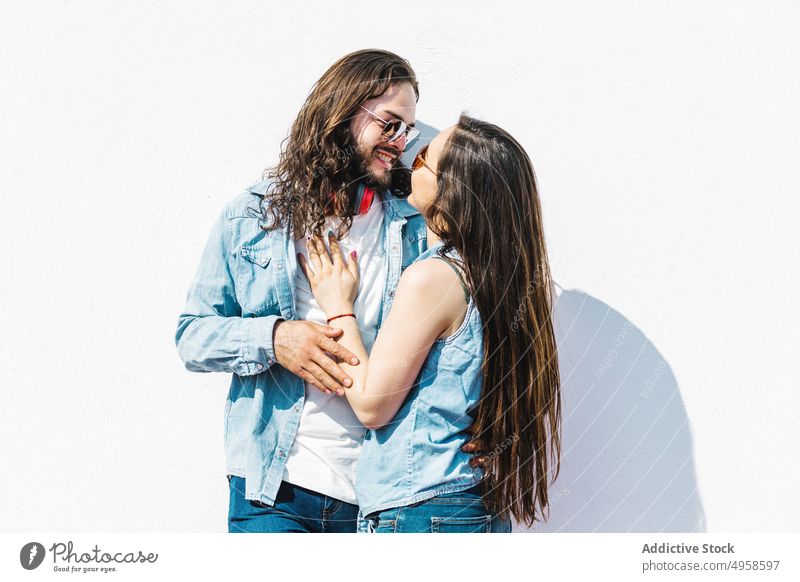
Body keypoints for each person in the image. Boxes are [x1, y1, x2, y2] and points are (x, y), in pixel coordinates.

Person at [175, 49, 430, 532]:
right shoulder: (251, 216)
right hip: (275, 492)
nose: (400, 142)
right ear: (342, 111)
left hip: (380, 500)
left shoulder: (412, 230)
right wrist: (274, 339)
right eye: (390, 123)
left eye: (408, 130)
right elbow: (192, 336)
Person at [300, 113, 563, 533]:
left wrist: (338, 306)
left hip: (422, 505)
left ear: (451, 192)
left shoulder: (433, 278)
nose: (408, 156)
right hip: (474, 502)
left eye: (423, 157)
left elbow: (371, 405)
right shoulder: (510, 279)